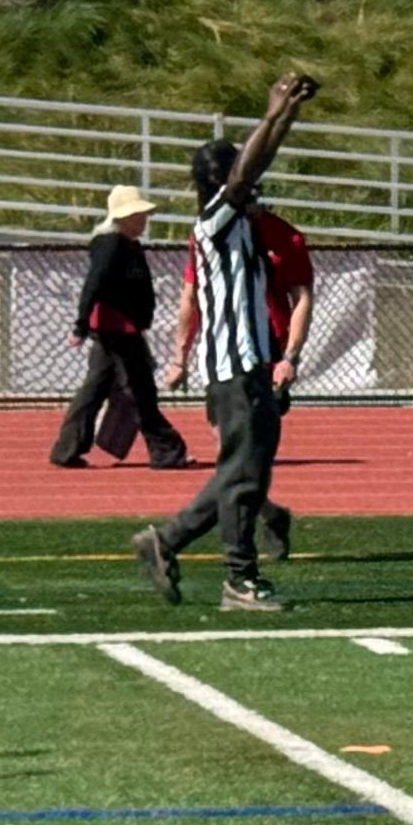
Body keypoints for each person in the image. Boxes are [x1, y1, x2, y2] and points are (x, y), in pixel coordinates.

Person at [132, 71, 316, 612]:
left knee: (245, 472)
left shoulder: (233, 222)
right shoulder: (216, 220)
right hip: (234, 369)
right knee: (243, 476)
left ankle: (164, 543)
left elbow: (254, 167)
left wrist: (286, 116)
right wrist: (271, 113)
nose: (254, 180)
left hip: (247, 366)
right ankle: (238, 579)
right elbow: (246, 173)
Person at [164, 201, 314, 560]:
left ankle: (217, 551)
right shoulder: (211, 231)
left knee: (243, 455)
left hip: (264, 357)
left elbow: (302, 298)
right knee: (229, 453)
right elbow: (191, 297)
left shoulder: (284, 236)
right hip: (222, 358)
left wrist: (289, 357)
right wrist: (178, 357)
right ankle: (269, 515)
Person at [49, 183, 188, 470]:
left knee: (96, 388)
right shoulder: (110, 244)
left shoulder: (125, 244)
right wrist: (80, 325)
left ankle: (67, 448)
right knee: (140, 389)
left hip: (119, 329)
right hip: (117, 329)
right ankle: (167, 450)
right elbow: (94, 283)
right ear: (122, 217)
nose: (143, 220)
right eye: (138, 215)